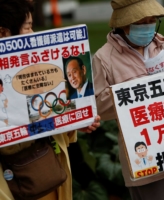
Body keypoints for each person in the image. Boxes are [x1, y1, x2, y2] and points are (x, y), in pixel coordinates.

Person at [92, 0, 164, 200]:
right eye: (142, 22)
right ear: (124, 23)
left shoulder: (161, 44)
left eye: (153, 21)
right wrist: (136, 89)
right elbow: (98, 106)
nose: (149, 27)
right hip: (144, 156)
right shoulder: (104, 58)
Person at [0, 0, 101, 200]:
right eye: (27, 27)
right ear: (3, 33)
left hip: (43, 172)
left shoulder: (35, 68)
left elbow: (44, 112)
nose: (33, 34)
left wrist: (73, 121)